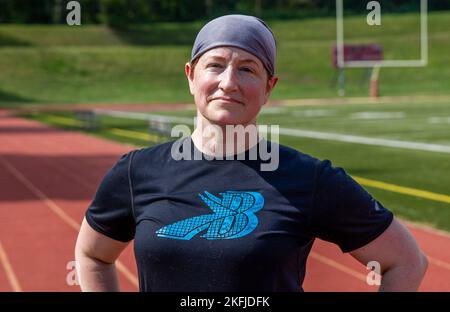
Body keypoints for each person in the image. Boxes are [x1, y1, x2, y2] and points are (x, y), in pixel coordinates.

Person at [75, 14, 428, 292]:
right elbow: (92, 255)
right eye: (215, 65)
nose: (228, 82)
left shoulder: (309, 178)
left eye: (247, 69)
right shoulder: (138, 171)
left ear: (268, 87)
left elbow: (406, 262)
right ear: (191, 75)